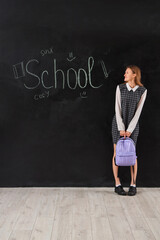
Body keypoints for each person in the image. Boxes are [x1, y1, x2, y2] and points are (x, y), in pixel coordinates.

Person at [112, 65, 147, 196]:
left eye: (127, 73)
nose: (124, 75)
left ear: (134, 75)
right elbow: (117, 108)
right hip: (118, 124)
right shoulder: (120, 88)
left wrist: (130, 129)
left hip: (133, 125)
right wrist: (121, 128)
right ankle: (117, 183)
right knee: (117, 152)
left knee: (132, 154)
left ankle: (133, 184)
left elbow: (138, 112)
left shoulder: (142, 91)